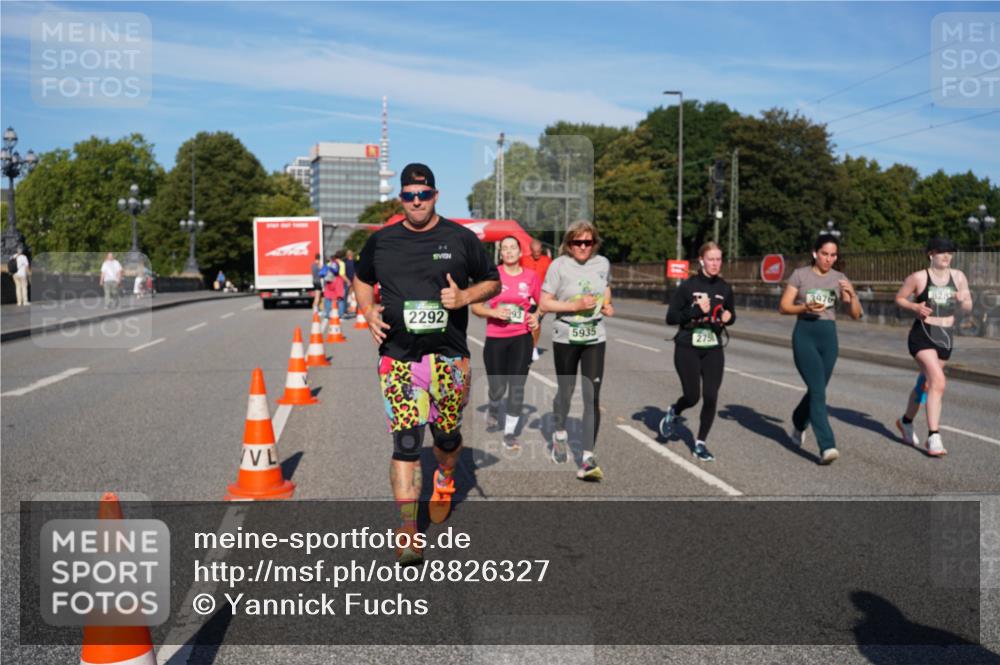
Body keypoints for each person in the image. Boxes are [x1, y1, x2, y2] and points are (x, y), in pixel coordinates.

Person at [353, 163, 500, 565]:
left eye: (423, 194)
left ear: (435, 195)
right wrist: (367, 310)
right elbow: (361, 278)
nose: (416, 201)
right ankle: (408, 530)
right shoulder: (382, 241)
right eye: (409, 195)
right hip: (398, 359)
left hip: (449, 358)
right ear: (400, 198)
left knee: (447, 438)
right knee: (405, 443)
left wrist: (465, 297)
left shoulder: (460, 238)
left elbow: (493, 281)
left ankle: (446, 476)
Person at [779, 234, 863, 465]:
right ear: (815, 253)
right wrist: (805, 307)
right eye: (825, 254)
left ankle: (798, 421)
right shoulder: (800, 275)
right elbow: (784, 307)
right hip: (805, 334)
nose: (829, 259)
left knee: (817, 390)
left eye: (833, 255)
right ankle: (827, 446)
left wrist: (852, 293)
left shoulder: (840, 278)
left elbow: (855, 314)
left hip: (828, 338)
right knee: (818, 393)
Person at [539, 220, 613, 481]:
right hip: (566, 336)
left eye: (587, 242)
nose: (583, 247)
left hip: (594, 336)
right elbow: (544, 303)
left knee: (592, 396)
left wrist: (607, 304)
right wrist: (574, 306)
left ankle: (587, 458)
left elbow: (605, 287)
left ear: (594, 243)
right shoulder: (558, 266)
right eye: (577, 242)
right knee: (566, 392)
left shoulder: (602, 263)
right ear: (569, 244)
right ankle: (559, 434)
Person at [893, 237, 972, 457]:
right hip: (923, 335)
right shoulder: (919, 277)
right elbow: (899, 298)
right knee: (938, 381)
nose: (946, 256)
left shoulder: (958, 277)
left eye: (950, 252)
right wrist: (915, 307)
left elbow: (968, 307)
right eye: (941, 252)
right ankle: (934, 436)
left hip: (945, 336)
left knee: (926, 384)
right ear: (931, 254)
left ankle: (905, 421)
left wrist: (962, 300)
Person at [659, 242, 736, 462]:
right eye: (711, 259)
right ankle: (675, 411)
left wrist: (729, 317)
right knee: (693, 396)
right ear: (701, 260)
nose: (715, 264)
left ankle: (700, 443)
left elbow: (731, 313)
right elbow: (671, 317)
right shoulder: (688, 286)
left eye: (718, 259)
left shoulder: (724, 288)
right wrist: (694, 310)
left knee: (711, 396)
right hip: (687, 347)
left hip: (713, 347)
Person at [471, 236, 541, 451]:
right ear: (500, 253)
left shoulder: (531, 277)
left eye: (513, 248)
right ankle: (494, 406)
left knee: (517, 386)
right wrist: (494, 312)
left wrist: (536, 317)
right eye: (505, 248)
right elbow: (475, 307)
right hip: (496, 338)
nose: (509, 251)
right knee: (497, 387)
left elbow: (541, 304)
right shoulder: (492, 277)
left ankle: (509, 433)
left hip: (521, 337)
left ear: (520, 252)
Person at [521, 238, 553, 361]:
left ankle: (533, 347)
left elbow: (553, 277)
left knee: (537, 323)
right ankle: (523, 346)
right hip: (525, 295)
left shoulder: (547, 261)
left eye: (539, 251)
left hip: (540, 296)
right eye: (535, 252)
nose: (537, 254)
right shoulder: (523, 260)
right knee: (523, 322)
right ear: (531, 250)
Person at [343, 249, 357, 317]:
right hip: (352, 280)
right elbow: (355, 272)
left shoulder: (345, 262)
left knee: (347, 295)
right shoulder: (354, 262)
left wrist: (347, 280)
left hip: (347, 281)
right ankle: (353, 309)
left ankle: (347, 309)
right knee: (353, 295)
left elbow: (344, 272)